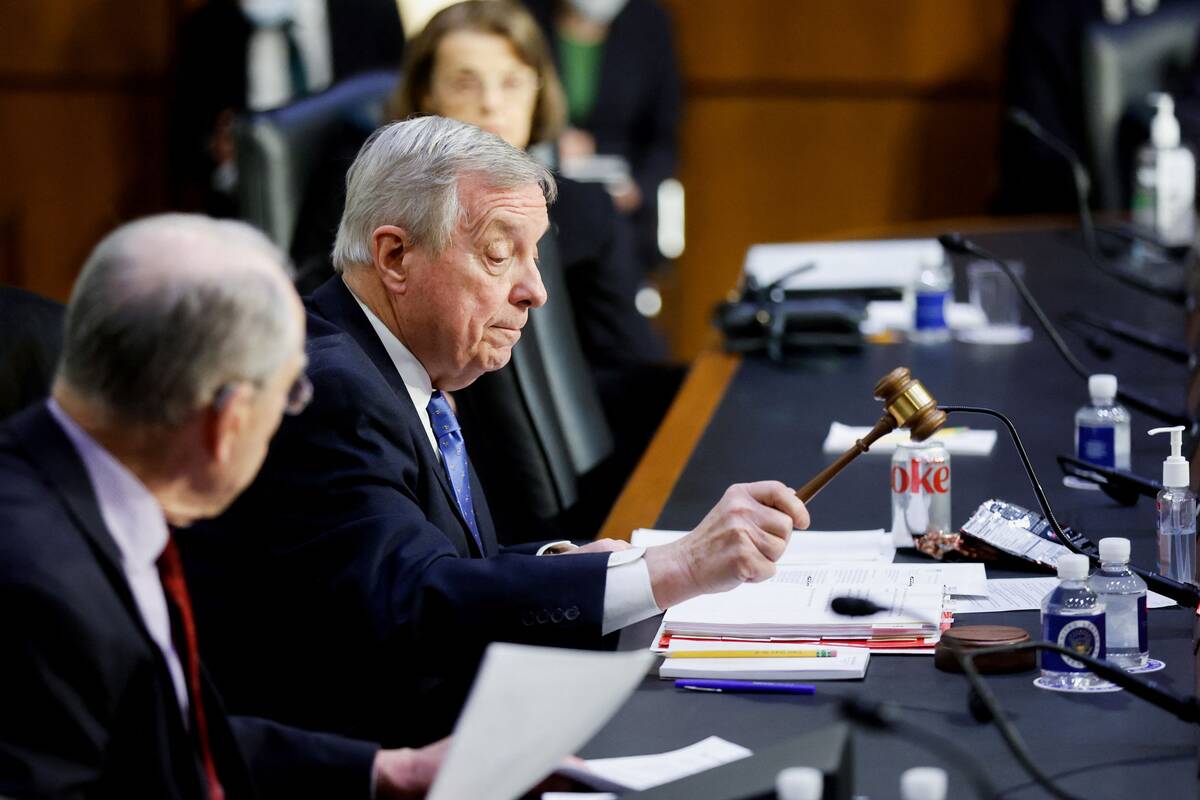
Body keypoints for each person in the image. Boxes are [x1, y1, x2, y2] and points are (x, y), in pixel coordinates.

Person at [181, 117, 810, 749]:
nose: (535, 291)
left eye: (535, 255)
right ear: (395, 256)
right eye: (499, 253)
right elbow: (417, 601)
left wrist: (559, 566)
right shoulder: (331, 390)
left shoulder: (398, 364)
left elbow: (427, 563)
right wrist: (680, 567)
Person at [0, 214, 449, 798]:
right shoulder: (41, 587)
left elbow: (163, 740)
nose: (293, 410)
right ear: (228, 422)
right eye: (291, 392)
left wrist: (385, 771)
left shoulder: (101, 497)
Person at [290, 0, 679, 541]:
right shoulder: (368, 197)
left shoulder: (585, 210)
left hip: (563, 487)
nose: (492, 104)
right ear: (425, 96)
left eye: (513, 83)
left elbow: (630, 362)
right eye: (466, 84)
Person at [523, 0, 681, 273]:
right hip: (541, 201)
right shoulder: (525, 17)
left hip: (621, 213)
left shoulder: (649, 22)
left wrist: (638, 188)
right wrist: (550, 141)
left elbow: (664, 135)